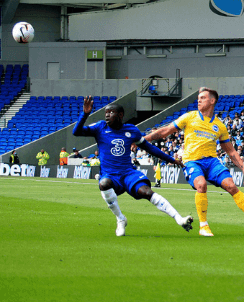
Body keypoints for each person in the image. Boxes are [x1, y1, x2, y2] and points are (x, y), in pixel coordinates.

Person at [142, 87, 244, 237]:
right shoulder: (190, 117)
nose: (199, 100)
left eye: (202, 98)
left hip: (212, 162)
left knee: (231, 186)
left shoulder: (219, 126)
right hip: (192, 162)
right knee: (201, 185)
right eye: (198, 98)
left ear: (212, 101)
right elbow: (167, 130)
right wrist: (144, 139)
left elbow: (231, 151)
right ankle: (203, 226)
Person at [73, 96, 192, 236]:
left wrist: (171, 159)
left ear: (120, 115)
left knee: (147, 192)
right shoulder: (100, 127)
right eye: (106, 113)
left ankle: (179, 219)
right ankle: (120, 219)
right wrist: (85, 114)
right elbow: (76, 131)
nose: (107, 115)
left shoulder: (132, 130)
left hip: (128, 173)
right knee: (104, 184)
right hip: (110, 175)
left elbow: (149, 148)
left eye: (111, 112)